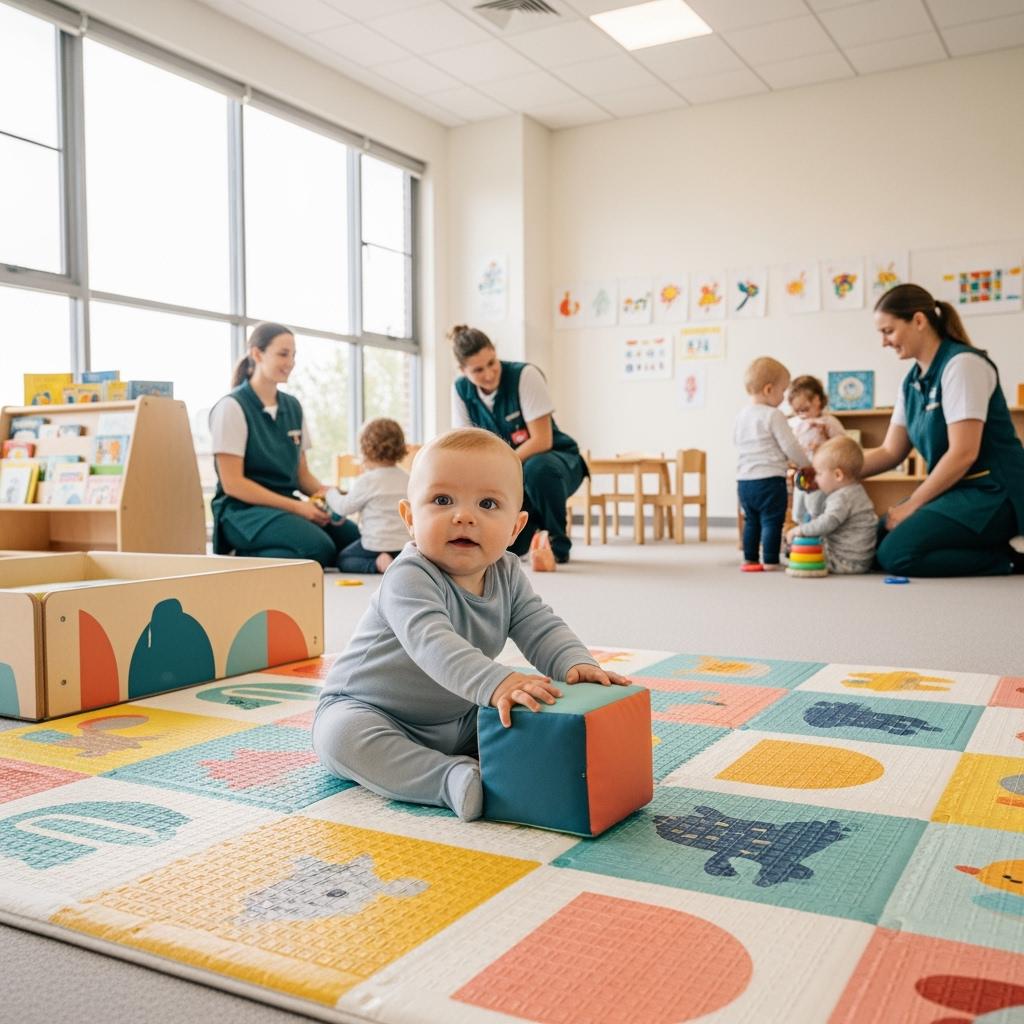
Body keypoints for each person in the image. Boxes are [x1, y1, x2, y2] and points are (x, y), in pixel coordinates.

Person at [312, 428, 628, 821]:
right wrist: (497, 682)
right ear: (410, 518)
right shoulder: (408, 575)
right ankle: (447, 779)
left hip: (459, 717)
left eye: (488, 504)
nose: (464, 516)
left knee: (524, 708)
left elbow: (538, 624)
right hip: (371, 709)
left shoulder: (507, 573)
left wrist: (574, 663)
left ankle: (506, 766)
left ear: (516, 528)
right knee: (340, 738)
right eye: (442, 500)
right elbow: (434, 645)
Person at [864, 283, 1024, 577]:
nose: (884, 342)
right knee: (869, 542)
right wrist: (832, 470)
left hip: (994, 493)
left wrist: (912, 504)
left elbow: (964, 453)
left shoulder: (962, 365)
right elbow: (890, 451)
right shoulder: (911, 381)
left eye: (888, 331)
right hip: (957, 491)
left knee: (897, 554)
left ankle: (1010, 561)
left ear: (919, 321)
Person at [210, 322, 360, 566]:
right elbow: (233, 484)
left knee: (353, 539)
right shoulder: (232, 407)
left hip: (284, 506)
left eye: (293, 355)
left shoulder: (293, 407)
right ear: (257, 354)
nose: (290, 362)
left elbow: (302, 476)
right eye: (283, 354)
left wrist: (332, 497)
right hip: (243, 512)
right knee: (318, 548)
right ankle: (240, 560)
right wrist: (297, 508)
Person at [449, 325, 586, 564]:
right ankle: (532, 532)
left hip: (556, 464)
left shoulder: (525, 375)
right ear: (463, 370)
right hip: (514, 474)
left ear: (495, 352)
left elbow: (542, 440)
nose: (490, 374)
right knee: (512, 548)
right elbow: (467, 446)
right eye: (478, 370)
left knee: (537, 469)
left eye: (492, 362)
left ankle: (558, 542)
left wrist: (498, 468)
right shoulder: (461, 390)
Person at [735, 356, 810, 572]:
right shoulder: (773, 415)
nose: (784, 397)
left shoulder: (741, 416)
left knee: (751, 521)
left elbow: (736, 442)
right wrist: (806, 464)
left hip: (744, 480)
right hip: (769, 479)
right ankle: (769, 560)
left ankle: (749, 559)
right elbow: (790, 446)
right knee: (771, 520)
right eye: (783, 391)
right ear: (769, 389)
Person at [324, 417, 410, 574]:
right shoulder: (408, 479)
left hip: (375, 545)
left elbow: (343, 508)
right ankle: (401, 563)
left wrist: (330, 493)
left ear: (365, 450)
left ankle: (377, 564)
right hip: (404, 545)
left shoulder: (367, 481)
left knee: (344, 559)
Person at [786, 436, 877, 574]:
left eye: (819, 474)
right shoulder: (855, 490)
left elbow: (827, 523)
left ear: (838, 475)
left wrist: (801, 530)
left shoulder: (842, 497)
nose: (816, 479)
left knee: (803, 553)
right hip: (860, 559)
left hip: (845, 561)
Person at [787, 374, 845, 524]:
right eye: (797, 411)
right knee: (798, 511)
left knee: (816, 508)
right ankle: (802, 533)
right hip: (801, 473)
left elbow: (843, 444)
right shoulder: (794, 423)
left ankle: (817, 535)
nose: (802, 414)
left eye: (805, 409)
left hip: (820, 474)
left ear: (818, 400)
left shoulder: (828, 422)